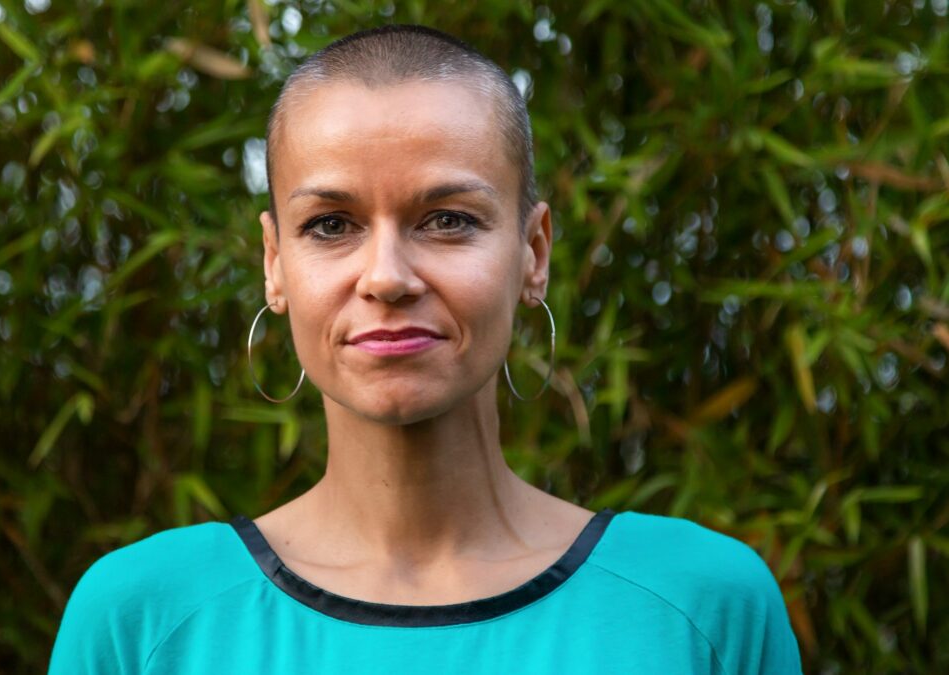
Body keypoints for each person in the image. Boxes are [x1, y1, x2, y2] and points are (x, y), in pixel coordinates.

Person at [48, 25, 802, 674]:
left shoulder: (699, 607)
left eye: (446, 220)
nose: (386, 277)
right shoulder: (143, 619)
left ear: (533, 252)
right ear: (274, 264)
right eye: (331, 225)